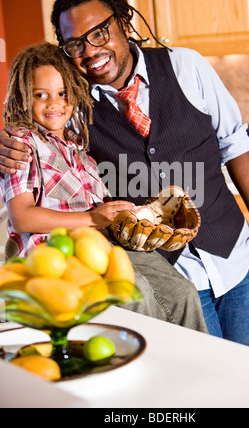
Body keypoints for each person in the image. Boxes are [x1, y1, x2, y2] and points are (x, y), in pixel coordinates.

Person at [0, 0, 249, 347]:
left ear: (124, 25)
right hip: (168, 269)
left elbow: (235, 145)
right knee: (206, 374)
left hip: (233, 255)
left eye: (100, 33)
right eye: (75, 44)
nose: (90, 50)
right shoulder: (74, 104)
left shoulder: (185, 67)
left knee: (244, 368)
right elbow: (36, 131)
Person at [0, 41, 207, 333]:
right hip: (56, 252)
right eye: (40, 95)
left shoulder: (77, 144)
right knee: (135, 295)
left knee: (182, 291)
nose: (54, 103)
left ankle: (193, 366)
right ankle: (152, 370)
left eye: (62, 93)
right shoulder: (22, 143)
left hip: (102, 242)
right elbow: (22, 216)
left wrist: (128, 215)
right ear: (23, 98)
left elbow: (95, 206)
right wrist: (94, 218)